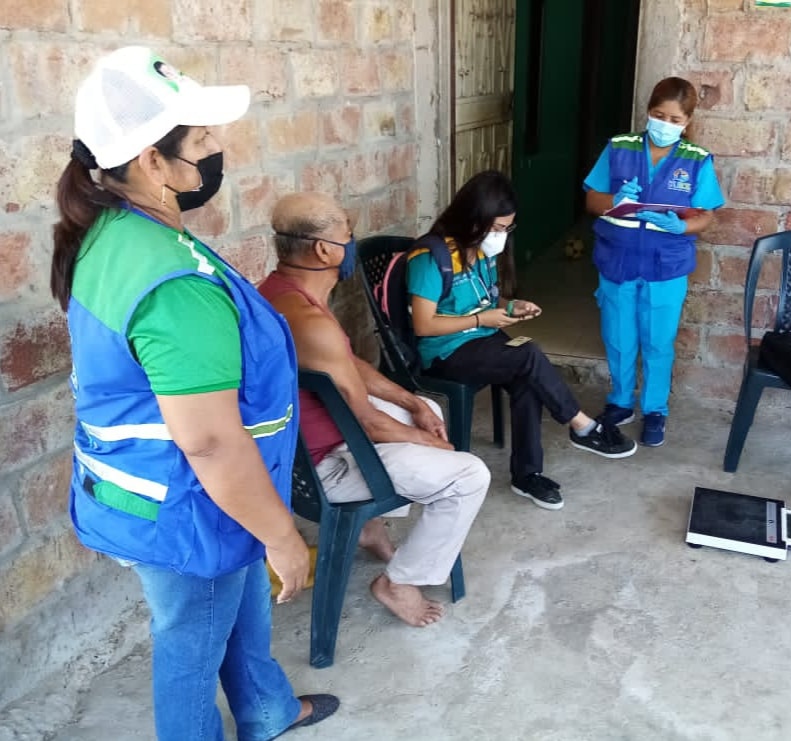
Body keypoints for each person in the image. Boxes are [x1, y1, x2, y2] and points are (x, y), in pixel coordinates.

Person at [50, 47, 338, 741]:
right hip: (188, 503)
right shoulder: (173, 284)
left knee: (235, 605)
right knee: (191, 644)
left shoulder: (118, 230)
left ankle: (265, 710)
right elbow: (209, 441)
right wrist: (283, 536)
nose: (215, 151)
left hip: (186, 496)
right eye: (202, 140)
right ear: (153, 159)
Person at [259, 192, 489, 628]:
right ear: (324, 250)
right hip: (326, 468)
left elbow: (347, 363)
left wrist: (411, 403)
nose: (352, 244)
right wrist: (430, 444)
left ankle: (370, 529)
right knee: (468, 476)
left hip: (310, 446)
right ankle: (398, 582)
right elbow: (365, 421)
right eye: (347, 234)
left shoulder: (281, 293)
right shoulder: (310, 321)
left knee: (424, 407)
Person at [406, 170, 637, 513]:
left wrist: (510, 306)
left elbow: (483, 300)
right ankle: (582, 426)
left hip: (482, 339)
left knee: (527, 374)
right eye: (497, 228)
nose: (501, 236)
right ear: (474, 218)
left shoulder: (479, 251)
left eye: (507, 229)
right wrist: (482, 320)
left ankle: (527, 475)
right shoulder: (432, 257)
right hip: (445, 352)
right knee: (528, 355)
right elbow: (424, 325)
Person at [584, 76, 725, 447]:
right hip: (617, 260)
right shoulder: (619, 147)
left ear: (687, 122)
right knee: (618, 337)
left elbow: (707, 215)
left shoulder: (696, 160)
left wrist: (681, 226)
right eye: (659, 115)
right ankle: (620, 402)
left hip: (666, 266)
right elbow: (592, 200)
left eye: (675, 119)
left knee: (658, 342)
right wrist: (614, 201)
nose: (665, 124)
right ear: (648, 112)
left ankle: (655, 409)